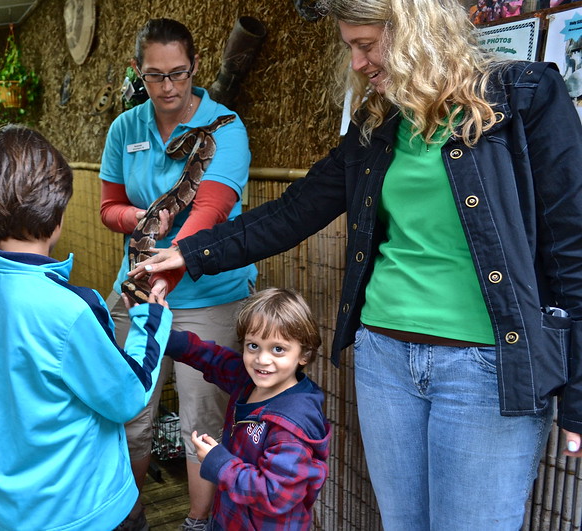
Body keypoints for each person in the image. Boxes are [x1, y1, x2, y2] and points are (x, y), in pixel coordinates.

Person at [129, 0, 582, 528]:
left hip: (488, 370)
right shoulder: (378, 126)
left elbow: (571, 247)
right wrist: (190, 252)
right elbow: (296, 209)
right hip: (385, 359)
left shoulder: (523, 95)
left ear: (418, 30)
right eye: (351, 47)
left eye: (366, 44)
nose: (359, 62)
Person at [0, 125, 172, 531]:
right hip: (85, 511)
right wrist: (150, 315)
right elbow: (126, 397)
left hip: (9, 511)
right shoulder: (70, 309)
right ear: (56, 215)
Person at [99, 17, 257, 530]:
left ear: (194, 67)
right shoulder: (126, 128)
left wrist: (176, 250)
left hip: (209, 291)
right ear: (137, 73)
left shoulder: (225, 125)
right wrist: (140, 220)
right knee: (127, 411)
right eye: (154, 76)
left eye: (179, 74)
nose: (168, 87)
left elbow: (211, 208)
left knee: (202, 420)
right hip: (140, 288)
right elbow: (109, 207)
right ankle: (130, 517)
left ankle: (195, 521)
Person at [164, 288, 330, 530]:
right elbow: (214, 359)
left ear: (304, 354)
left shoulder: (291, 427)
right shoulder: (249, 380)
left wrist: (219, 463)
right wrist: (167, 338)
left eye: (278, 349)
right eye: (253, 346)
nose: (262, 359)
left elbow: (276, 495)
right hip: (230, 518)